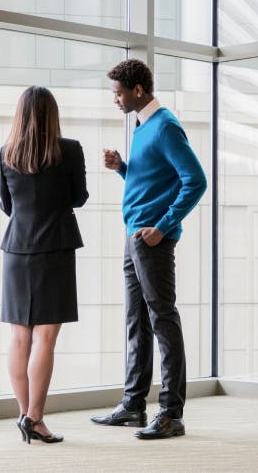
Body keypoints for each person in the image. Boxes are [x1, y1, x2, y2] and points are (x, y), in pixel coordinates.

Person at [90, 58, 207, 439]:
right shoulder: (143, 127)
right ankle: (133, 405)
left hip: (152, 238)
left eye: (118, 93)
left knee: (162, 319)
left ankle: (172, 413)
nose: (115, 100)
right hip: (134, 236)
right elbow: (155, 180)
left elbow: (196, 181)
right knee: (136, 320)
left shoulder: (165, 126)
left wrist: (164, 226)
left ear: (138, 90)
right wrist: (123, 168)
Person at [0, 85, 88, 445]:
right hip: (56, 248)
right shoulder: (70, 150)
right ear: (53, 114)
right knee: (45, 338)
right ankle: (35, 418)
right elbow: (79, 198)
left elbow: (7, 205)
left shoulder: (6, 153)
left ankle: (24, 414)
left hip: (17, 251)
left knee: (20, 336)